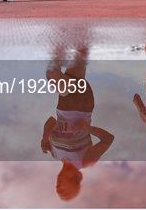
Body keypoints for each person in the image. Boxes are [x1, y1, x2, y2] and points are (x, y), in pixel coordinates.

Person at [42, 45, 114, 201]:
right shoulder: (86, 161)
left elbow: (51, 121)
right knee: (53, 74)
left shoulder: (55, 153)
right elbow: (108, 139)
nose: (57, 186)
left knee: (79, 55)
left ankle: (79, 34)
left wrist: (44, 138)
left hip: (64, 102)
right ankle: (58, 41)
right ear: (73, 183)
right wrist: (88, 128)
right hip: (82, 104)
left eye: (57, 188)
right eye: (63, 189)